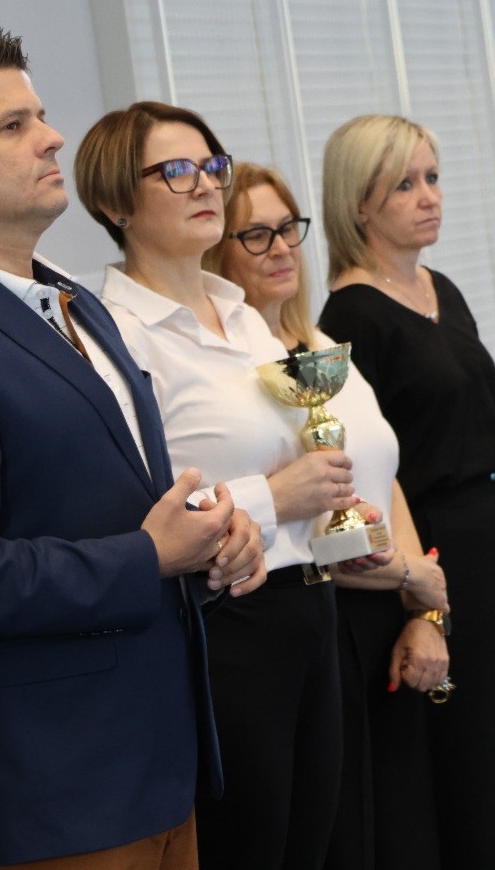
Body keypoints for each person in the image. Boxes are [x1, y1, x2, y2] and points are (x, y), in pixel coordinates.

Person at [0, 33, 265, 870]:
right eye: (13, 126)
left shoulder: (72, 300)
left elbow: (103, 502)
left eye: (40, 116)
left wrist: (209, 545)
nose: (51, 138)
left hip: (157, 760)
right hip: (50, 788)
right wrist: (148, 557)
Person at [75, 103, 447, 870]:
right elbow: (127, 509)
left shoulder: (246, 320)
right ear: (115, 203)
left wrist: (348, 526)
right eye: (175, 171)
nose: (203, 183)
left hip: (312, 606)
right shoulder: (112, 333)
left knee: (311, 846)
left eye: (210, 165)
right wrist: (275, 499)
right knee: (247, 847)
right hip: (224, 621)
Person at [318, 114, 495, 869]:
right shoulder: (351, 316)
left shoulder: (440, 288)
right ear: (358, 204)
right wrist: (419, 601)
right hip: (436, 538)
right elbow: (377, 470)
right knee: (466, 741)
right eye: (404, 184)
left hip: (494, 523)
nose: (428, 197)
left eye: (432, 178)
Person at [204, 160, 449, 870]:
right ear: (216, 251)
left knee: (404, 831)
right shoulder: (239, 381)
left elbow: (385, 478)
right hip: (326, 619)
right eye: (255, 235)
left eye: (288, 228)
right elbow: (310, 537)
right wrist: (413, 578)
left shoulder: (318, 347)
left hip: (388, 613)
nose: (281, 248)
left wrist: (424, 611)